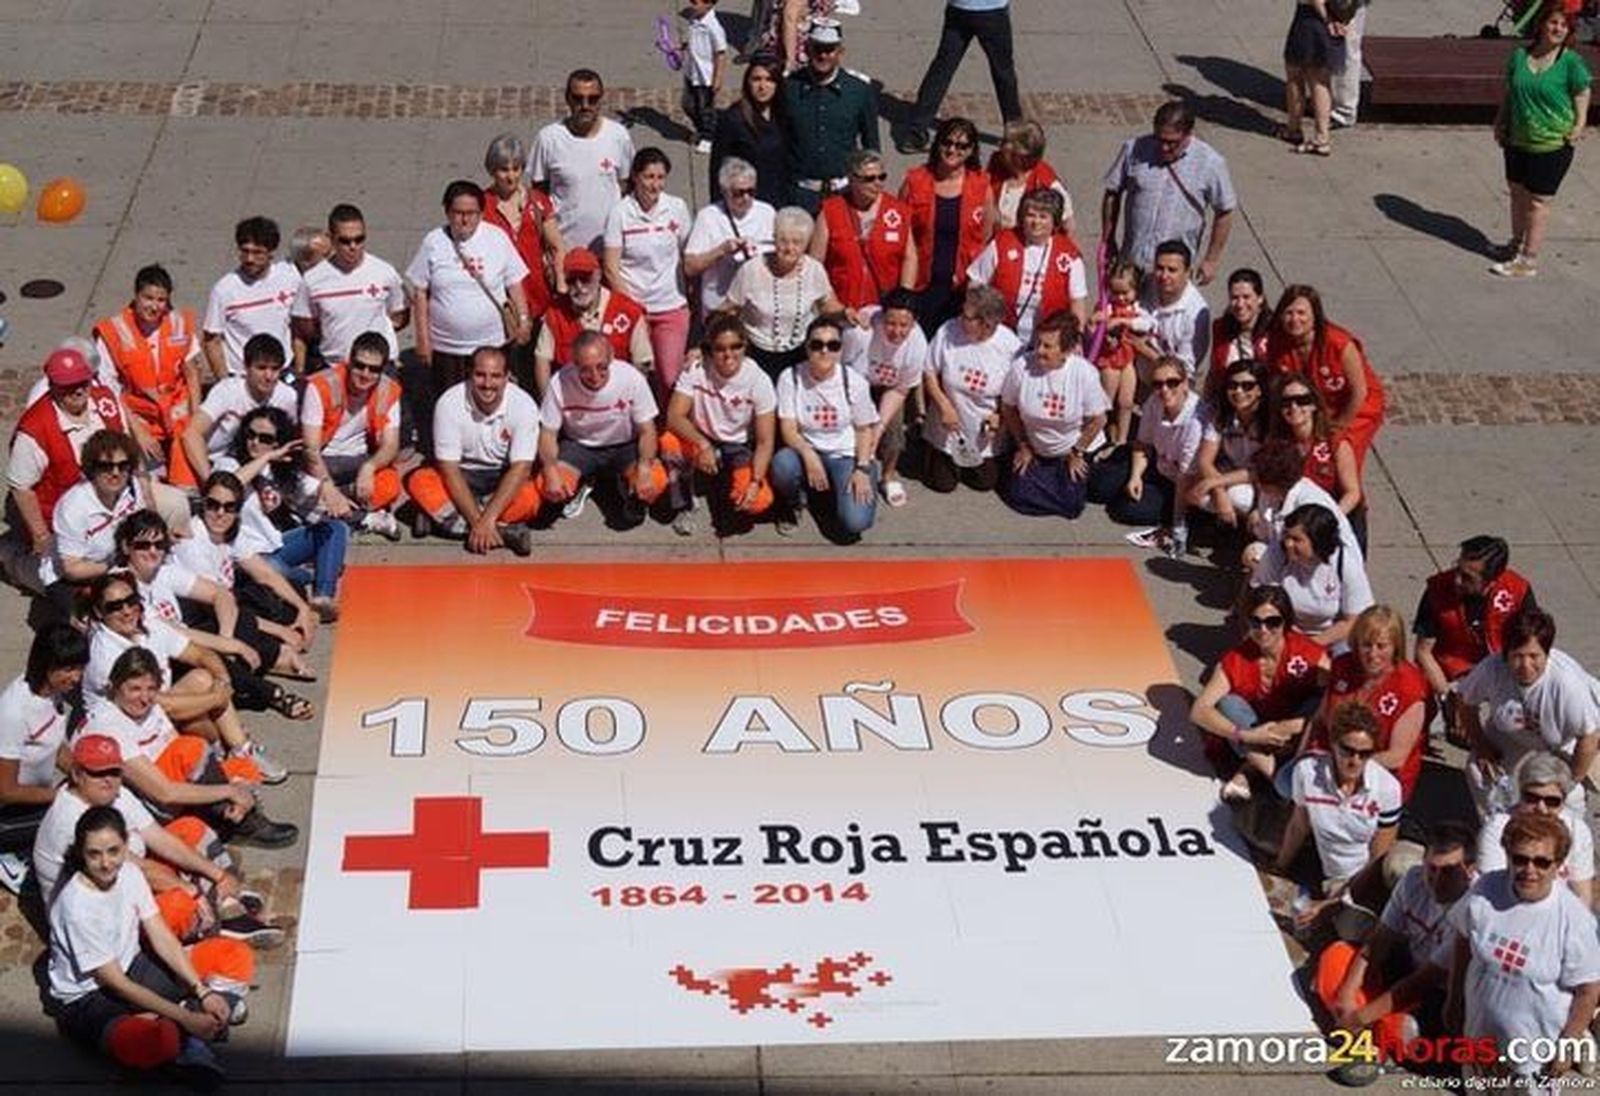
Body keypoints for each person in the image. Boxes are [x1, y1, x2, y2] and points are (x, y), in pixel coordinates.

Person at [46, 805, 246, 1085]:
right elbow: (117, 984)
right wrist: (186, 1016)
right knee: (158, 1041)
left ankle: (185, 1027)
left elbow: (161, 935)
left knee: (233, 955)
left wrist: (202, 991)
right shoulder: (76, 906)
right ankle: (185, 1034)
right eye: (94, 854)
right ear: (81, 853)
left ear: (126, 846)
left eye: (113, 851)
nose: (106, 863)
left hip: (134, 967)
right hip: (88, 1000)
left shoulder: (129, 873)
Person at [34, 734, 280, 944]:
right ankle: (213, 925)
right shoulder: (71, 824)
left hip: (127, 880)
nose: (109, 779)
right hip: (102, 921)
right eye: (98, 773)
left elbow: (159, 838)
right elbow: (135, 869)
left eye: (114, 771)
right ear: (77, 774)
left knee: (189, 830)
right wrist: (191, 891)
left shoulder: (112, 794)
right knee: (178, 904)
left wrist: (219, 874)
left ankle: (223, 899)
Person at [83, 573, 288, 788]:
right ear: (99, 612)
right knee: (194, 715)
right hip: (134, 732)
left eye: (131, 601)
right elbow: (158, 704)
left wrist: (223, 681)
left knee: (203, 677)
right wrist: (217, 698)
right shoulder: (104, 655)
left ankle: (241, 750)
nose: (126, 610)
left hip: (155, 714)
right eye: (115, 607)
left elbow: (201, 655)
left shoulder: (149, 627)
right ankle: (219, 757)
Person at [1317, 821, 1479, 1088]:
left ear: (1470, 871)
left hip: (1441, 994)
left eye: (1448, 872)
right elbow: (1379, 941)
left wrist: (1359, 1016)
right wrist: (1347, 992)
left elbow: (1424, 981)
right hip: (1406, 967)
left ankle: (1367, 1036)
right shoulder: (1413, 879)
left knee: (1404, 1031)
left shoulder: (1474, 908)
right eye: (1432, 869)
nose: (1436, 880)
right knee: (1337, 956)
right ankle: (1364, 1030)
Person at [113, 509, 315, 721]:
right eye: (143, 545)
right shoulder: (122, 588)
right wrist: (233, 646)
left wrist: (226, 637)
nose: (153, 551)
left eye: (159, 545)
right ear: (126, 546)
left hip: (184, 642)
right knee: (211, 653)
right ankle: (271, 691)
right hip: (160, 657)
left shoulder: (162, 571)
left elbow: (220, 594)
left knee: (241, 617)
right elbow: (177, 635)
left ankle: (246, 671)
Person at [85, 647, 295, 848]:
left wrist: (231, 787)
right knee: (191, 750)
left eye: (151, 689)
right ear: (114, 686)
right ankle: (239, 823)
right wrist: (230, 790)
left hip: (179, 783)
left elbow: (173, 742)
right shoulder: (108, 727)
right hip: (158, 803)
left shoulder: (150, 704)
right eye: (134, 689)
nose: (144, 698)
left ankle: (228, 815)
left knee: (243, 766)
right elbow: (164, 793)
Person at [1447, 811, 1600, 1085]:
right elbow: (1463, 941)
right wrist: (1453, 999)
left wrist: (1568, 1045)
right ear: (1508, 856)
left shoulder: (1575, 920)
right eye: (1520, 859)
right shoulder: (1485, 889)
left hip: (1533, 1058)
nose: (1530, 870)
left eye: (1542, 862)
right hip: (1479, 1042)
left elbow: (1588, 990)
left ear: (1558, 865)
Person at [405, 180, 532, 447]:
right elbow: (419, 292)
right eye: (458, 213)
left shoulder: (496, 238)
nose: (464, 219)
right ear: (447, 212)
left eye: (471, 213)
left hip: (492, 343)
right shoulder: (434, 242)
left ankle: (494, 448)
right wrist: (423, 340)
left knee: (492, 399)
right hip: (447, 348)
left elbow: (514, 283)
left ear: (481, 213)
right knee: (452, 405)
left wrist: (523, 319)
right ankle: (452, 452)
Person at [1457, 606, 1600, 816]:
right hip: (1512, 734)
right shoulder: (1492, 669)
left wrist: (1568, 783)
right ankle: (1500, 829)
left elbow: (1588, 739)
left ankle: (1563, 839)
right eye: (1517, 656)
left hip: (1567, 740)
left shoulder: (1568, 684)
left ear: (1547, 653)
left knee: (1568, 798)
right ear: (1506, 653)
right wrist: (1481, 745)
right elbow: (1465, 702)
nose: (1525, 665)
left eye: (1534, 656)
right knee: (1481, 772)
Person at [1192, 585, 1330, 802]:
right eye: (1256, 621)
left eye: (1272, 622)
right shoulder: (1236, 659)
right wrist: (1247, 735)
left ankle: (1249, 770)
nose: (1264, 630)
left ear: (1286, 623)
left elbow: (1339, 700)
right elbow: (1199, 711)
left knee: (1319, 700)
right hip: (1253, 730)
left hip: (1296, 730)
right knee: (1227, 704)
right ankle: (1277, 775)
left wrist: (1295, 725)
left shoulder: (1307, 653)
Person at [6, 348, 130, 583]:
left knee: (172, 505)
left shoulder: (104, 399)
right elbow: (21, 487)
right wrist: (41, 536)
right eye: (68, 385)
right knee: (60, 577)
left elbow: (125, 443)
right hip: (62, 517)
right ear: (52, 386)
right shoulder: (34, 430)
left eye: (82, 382)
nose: (79, 390)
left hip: (113, 501)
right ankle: (11, 558)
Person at [172, 471, 322, 664]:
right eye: (213, 505)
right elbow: (220, 604)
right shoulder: (192, 541)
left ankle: (293, 629)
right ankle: (277, 652)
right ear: (203, 503)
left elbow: (265, 574)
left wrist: (303, 608)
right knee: (245, 626)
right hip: (203, 613)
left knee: (293, 589)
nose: (220, 513)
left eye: (229, 507)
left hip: (230, 601)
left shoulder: (232, 530)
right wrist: (280, 630)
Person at [403, 346, 540, 556]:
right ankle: (503, 533)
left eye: (495, 376)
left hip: (501, 477)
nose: (487, 384)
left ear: (507, 378)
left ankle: (443, 521)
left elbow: (521, 469)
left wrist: (485, 519)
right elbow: (449, 469)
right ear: (470, 374)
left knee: (531, 498)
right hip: (461, 475)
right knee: (419, 481)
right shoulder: (449, 402)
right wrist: (480, 522)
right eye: (480, 375)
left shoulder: (524, 405)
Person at [1275, 702, 1401, 926]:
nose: (1355, 761)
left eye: (1365, 754)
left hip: (1366, 875)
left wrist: (1331, 904)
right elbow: (1298, 825)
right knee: (1349, 927)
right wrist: (1279, 867)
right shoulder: (1307, 772)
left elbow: (1378, 858)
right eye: (1347, 750)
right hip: (1337, 875)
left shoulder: (1387, 787)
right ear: (1333, 744)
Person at [1490, 0, 1592, 278]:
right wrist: (1501, 121)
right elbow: (1510, 92)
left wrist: (1580, 124)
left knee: (1538, 201)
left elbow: (1582, 92)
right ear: (1542, 25)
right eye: (1553, 22)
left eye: (1563, 25)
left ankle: (1528, 259)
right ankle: (1515, 245)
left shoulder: (1570, 62)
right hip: (1517, 138)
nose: (1557, 28)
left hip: (1552, 143)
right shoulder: (1520, 56)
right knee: (1517, 193)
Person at [230, 407, 349, 623]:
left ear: (278, 443)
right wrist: (267, 457)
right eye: (250, 435)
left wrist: (327, 488)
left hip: (274, 544)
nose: (255, 442)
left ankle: (323, 597)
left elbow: (310, 486)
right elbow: (231, 486)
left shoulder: (276, 468)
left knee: (335, 529)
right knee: (278, 571)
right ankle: (314, 571)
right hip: (245, 557)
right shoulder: (229, 464)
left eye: (265, 438)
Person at [662, 315, 777, 536]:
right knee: (669, 442)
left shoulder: (759, 380)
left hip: (738, 444)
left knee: (758, 501)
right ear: (710, 349)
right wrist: (703, 444)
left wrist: (755, 482)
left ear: (745, 346)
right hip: (703, 437)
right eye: (720, 348)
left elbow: (765, 441)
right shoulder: (696, 369)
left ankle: (729, 487)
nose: (728, 354)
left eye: (736, 346)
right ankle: (684, 503)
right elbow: (674, 416)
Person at [537, 331, 666, 524]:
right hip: (580, 445)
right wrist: (549, 469)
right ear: (574, 363)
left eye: (601, 367)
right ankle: (579, 484)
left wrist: (645, 468)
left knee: (655, 481)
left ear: (611, 356)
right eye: (585, 369)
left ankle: (627, 486)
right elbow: (548, 433)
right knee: (546, 485)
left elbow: (647, 430)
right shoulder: (559, 382)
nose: (595, 376)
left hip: (624, 445)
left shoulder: (631, 378)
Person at [1100, 100, 1237, 283]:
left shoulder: (1211, 163)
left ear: (1189, 134)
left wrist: (1211, 260)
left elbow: (1225, 212)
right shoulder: (1134, 149)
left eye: (1172, 142)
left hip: (1173, 273)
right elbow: (1112, 192)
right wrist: (1108, 240)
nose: (1164, 148)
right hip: (1132, 268)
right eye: (1159, 139)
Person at [1415, 536, 1537, 740]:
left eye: (1468, 577)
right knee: (1414, 705)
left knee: (1523, 720)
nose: (1457, 580)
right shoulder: (1438, 590)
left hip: (1501, 668)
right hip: (1449, 673)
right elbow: (1423, 652)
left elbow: (1532, 646)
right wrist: (1449, 698)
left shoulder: (1518, 591)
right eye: (1457, 569)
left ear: (1492, 581)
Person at [1304, 604, 1430, 801]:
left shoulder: (1410, 687)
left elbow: (1397, 756)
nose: (1373, 654)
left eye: (1381, 646)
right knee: (1287, 784)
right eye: (1366, 645)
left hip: (1379, 774)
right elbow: (1319, 720)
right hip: (1331, 761)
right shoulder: (1343, 666)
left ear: (1395, 646)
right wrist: (1300, 759)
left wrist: (1344, 768)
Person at [92, 265, 203, 487]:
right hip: (140, 419)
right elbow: (109, 390)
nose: (154, 306)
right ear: (136, 296)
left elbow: (192, 374)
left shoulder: (178, 323)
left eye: (161, 300)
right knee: (148, 484)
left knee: (187, 484)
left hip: (178, 416)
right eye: (148, 298)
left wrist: (195, 420)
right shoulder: (113, 332)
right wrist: (139, 432)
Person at [771, 314, 880, 539]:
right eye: (817, 344)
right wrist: (808, 454)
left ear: (841, 350)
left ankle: (835, 492)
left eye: (833, 345)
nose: (824, 351)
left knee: (855, 522)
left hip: (846, 454)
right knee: (782, 465)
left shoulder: (854, 381)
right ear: (807, 347)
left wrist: (862, 467)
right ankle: (795, 501)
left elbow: (864, 429)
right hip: (807, 450)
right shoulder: (790, 378)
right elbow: (788, 429)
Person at [998, 311, 1109, 520]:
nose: (1039, 350)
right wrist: (1022, 445)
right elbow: (1008, 408)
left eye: (1048, 346)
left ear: (1066, 350)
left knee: (1073, 505)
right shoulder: (1021, 367)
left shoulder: (1084, 373)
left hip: (1070, 449)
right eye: (1039, 343)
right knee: (1017, 496)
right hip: (1035, 447)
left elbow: (1098, 419)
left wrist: (1077, 451)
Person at [603, 148, 693, 401]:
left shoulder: (677, 207)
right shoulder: (620, 213)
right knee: (634, 377)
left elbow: (689, 255)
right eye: (649, 177)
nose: (655, 184)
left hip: (671, 307)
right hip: (633, 310)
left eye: (660, 177)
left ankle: (669, 431)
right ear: (635, 176)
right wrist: (633, 307)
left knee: (669, 378)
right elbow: (611, 267)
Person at [36, 430, 159, 615]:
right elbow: (72, 569)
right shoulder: (74, 506)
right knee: (97, 624)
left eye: (123, 465)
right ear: (91, 469)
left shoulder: (132, 489)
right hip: (72, 579)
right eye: (105, 467)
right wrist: (115, 567)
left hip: (118, 568)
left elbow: (144, 529)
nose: (115, 473)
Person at [1087, 355, 1202, 552]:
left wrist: (1178, 524)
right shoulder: (1154, 402)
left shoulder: (1196, 420)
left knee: (1126, 510)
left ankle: (1192, 519)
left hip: (1181, 482)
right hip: (1157, 463)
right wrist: (1135, 477)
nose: (1164, 390)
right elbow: (1142, 444)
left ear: (1185, 384)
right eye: (1158, 384)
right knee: (1098, 486)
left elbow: (1186, 477)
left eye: (1172, 382)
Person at [1266, 284, 1385, 468]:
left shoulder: (1339, 343)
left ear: (1315, 315)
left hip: (1354, 407)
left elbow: (1359, 392)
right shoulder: (1277, 342)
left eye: (1301, 313)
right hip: (1312, 404)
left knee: (1338, 451)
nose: (1295, 319)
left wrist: (1337, 428)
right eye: (1289, 312)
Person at [300, 332, 403, 541]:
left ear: (382, 370)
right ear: (348, 362)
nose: (365, 374)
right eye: (359, 365)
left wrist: (369, 467)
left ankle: (332, 514)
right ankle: (364, 519)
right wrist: (327, 486)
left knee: (390, 484)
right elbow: (309, 449)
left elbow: (391, 446)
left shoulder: (389, 390)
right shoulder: (320, 386)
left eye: (374, 369)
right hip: (320, 463)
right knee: (297, 486)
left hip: (358, 463)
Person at [482, 135, 565, 389]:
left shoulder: (538, 201)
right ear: (492, 170)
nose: (510, 176)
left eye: (516, 168)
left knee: (536, 364)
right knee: (500, 364)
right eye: (503, 169)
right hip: (501, 300)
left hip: (537, 294)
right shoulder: (482, 204)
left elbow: (557, 246)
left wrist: (561, 284)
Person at [723, 206, 843, 378]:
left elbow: (827, 304)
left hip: (800, 353)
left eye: (797, 242)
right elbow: (729, 309)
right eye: (783, 241)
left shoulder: (814, 270)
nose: (789, 248)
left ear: (807, 244)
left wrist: (845, 313)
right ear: (774, 239)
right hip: (757, 353)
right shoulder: (751, 270)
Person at [921, 285, 1020, 495]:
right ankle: (935, 452)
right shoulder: (948, 330)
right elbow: (929, 371)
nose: (961, 318)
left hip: (983, 429)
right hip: (948, 424)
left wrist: (1000, 416)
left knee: (985, 482)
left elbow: (1015, 390)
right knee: (943, 484)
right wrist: (944, 405)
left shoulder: (1010, 345)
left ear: (986, 324)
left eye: (968, 316)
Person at [900, 116, 995, 333]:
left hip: (962, 287)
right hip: (922, 282)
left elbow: (985, 235)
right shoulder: (915, 181)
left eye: (961, 146)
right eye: (947, 143)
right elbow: (902, 233)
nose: (953, 150)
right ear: (938, 144)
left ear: (971, 150)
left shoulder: (981, 185)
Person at [0, 626, 87, 854]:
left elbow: (53, 745)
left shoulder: (52, 691)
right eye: (69, 669)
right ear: (46, 665)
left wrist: (84, 775)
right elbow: (6, 790)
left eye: (79, 668)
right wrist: (65, 796)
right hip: (8, 813)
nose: (77, 677)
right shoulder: (14, 712)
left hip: (34, 799)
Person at [893, 0, 1022, 154]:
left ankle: (917, 130)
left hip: (959, 9)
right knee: (1003, 71)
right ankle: (1015, 131)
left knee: (942, 68)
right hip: (992, 10)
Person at [291, 203, 409, 371]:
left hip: (379, 367)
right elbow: (306, 327)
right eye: (345, 241)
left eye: (359, 239)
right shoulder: (312, 280)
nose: (353, 246)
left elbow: (400, 316)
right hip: (335, 366)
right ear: (331, 239)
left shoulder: (384, 272)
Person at [530, 69, 636, 254]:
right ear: (567, 99)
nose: (585, 105)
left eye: (592, 99)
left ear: (601, 99)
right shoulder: (548, 138)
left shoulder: (618, 136)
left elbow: (627, 187)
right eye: (578, 99)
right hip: (564, 250)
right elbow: (538, 196)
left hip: (610, 250)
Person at [968, 187, 1088, 349]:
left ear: (1055, 222)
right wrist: (978, 320)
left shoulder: (1069, 255)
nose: (1036, 222)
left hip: (1048, 341)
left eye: (1043, 217)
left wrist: (1076, 339)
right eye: (1030, 215)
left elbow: (1077, 303)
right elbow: (976, 282)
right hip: (1000, 333)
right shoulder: (1002, 242)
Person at [781, 18, 879, 213]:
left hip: (844, 194)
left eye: (830, 49)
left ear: (840, 52)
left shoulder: (859, 91)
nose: (823, 55)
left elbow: (872, 148)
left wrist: (870, 191)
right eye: (817, 48)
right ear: (807, 48)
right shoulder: (788, 88)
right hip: (799, 195)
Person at [841, 289, 927, 508]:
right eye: (890, 323)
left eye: (903, 325)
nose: (896, 331)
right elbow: (845, 369)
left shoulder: (918, 345)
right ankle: (852, 467)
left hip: (891, 387)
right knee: (854, 428)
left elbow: (900, 390)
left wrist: (878, 428)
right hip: (858, 382)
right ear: (881, 316)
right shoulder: (862, 330)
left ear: (914, 323)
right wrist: (865, 425)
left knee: (893, 432)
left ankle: (888, 477)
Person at [178, 333, 299, 485]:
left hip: (260, 462)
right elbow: (191, 434)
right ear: (246, 368)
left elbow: (288, 441)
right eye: (261, 368)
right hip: (216, 461)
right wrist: (209, 482)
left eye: (274, 369)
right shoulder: (227, 391)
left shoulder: (287, 396)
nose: (268, 376)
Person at [1251, 502, 1375, 649]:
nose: (1288, 544)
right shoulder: (1276, 554)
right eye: (1287, 536)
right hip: (1281, 630)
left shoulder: (1344, 563)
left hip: (1331, 637)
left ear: (1318, 542)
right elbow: (1262, 602)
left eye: (1297, 539)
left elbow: (1355, 619)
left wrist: (1311, 645)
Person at [1476, 753, 1593, 906]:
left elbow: (1582, 895)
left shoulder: (1577, 831)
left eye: (1552, 801)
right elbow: (1493, 890)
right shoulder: (1497, 829)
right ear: (1520, 795)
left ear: (1563, 802)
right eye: (1532, 798)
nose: (1541, 808)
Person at [533, 249, 653, 397]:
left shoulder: (628, 311)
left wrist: (632, 400)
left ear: (598, 275)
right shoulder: (555, 314)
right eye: (571, 280)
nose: (579, 286)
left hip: (619, 398)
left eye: (585, 278)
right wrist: (549, 401)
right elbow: (542, 360)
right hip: (573, 399)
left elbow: (642, 363)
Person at [811, 150, 917, 310]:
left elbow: (910, 258)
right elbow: (815, 263)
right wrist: (830, 303)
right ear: (852, 180)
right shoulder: (831, 210)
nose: (877, 183)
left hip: (884, 309)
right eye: (869, 179)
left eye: (881, 177)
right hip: (842, 305)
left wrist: (903, 300)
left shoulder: (898, 211)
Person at [202, 216, 304, 382]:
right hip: (243, 377)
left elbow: (299, 325)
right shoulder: (224, 289)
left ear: (271, 252)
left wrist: (299, 368)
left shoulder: (290, 276)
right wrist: (224, 382)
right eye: (245, 251)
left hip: (283, 373)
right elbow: (211, 340)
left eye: (257, 253)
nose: (249, 259)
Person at [1267, 372, 1363, 545]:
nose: (1294, 407)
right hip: (1293, 521)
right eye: (1286, 402)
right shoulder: (1278, 445)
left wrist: (1328, 520)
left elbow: (1352, 492)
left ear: (1314, 405)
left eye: (1302, 400)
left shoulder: (1336, 442)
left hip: (1332, 517)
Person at [685, 157, 777, 316]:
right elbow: (690, 267)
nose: (746, 198)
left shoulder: (767, 212)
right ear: (724, 191)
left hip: (757, 307)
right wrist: (722, 250)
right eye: (739, 193)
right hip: (720, 306)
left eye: (751, 191)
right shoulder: (708, 216)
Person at [1187, 357, 1269, 531]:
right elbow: (1205, 461)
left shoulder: (1269, 421)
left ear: (1260, 389)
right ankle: (1231, 521)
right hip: (1230, 475)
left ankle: (1249, 528)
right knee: (1198, 494)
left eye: (1247, 386)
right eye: (1233, 385)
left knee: (1238, 497)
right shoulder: (1221, 416)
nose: (1239, 391)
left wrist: (1214, 484)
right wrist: (1219, 492)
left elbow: (1261, 470)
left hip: (1261, 482)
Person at [711, 57, 790, 208]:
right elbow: (717, 170)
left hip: (780, 201)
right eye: (756, 79)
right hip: (746, 204)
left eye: (769, 80)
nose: (762, 86)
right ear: (747, 82)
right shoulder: (733, 119)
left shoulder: (783, 114)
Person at [1090, 258, 1152, 447]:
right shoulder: (1107, 309)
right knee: (1107, 401)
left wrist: (1124, 322)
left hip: (1127, 360)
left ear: (1135, 291)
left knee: (1126, 401)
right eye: (1115, 292)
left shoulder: (1136, 310)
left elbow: (1147, 323)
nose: (1121, 297)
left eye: (1126, 292)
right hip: (1109, 360)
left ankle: (1122, 440)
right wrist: (1095, 322)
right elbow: (1092, 333)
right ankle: (1099, 434)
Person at [1134, 239, 1210, 380]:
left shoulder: (1195, 314)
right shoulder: (1146, 285)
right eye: (1159, 268)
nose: (1164, 276)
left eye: (1172, 270)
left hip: (1170, 386)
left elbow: (1185, 371)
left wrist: (1146, 351)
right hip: (1133, 374)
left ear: (1188, 273)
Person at [985, 119, 1075, 235]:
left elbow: (1068, 227)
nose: (999, 146)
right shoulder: (996, 164)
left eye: (1005, 143)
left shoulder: (1046, 182)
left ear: (1020, 155)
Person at [1281, 0, 1342, 156]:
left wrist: (1328, 20)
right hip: (1337, 18)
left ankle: (1293, 129)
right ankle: (1322, 138)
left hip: (1310, 19)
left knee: (1295, 75)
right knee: (1321, 81)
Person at [1207, 268, 1274, 397]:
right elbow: (1214, 373)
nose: (1240, 304)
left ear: (1260, 298)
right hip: (1230, 399)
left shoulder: (1275, 330)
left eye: (1246, 297)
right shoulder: (1221, 328)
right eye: (1234, 298)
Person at [681, 0, 729, 154]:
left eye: (696, 2)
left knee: (705, 109)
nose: (692, 5)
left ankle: (709, 137)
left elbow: (720, 53)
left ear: (709, 4)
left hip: (705, 76)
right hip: (692, 72)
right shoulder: (694, 21)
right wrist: (685, 47)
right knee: (688, 104)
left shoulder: (713, 27)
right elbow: (695, 42)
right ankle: (701, 129)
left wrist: (718, 77)